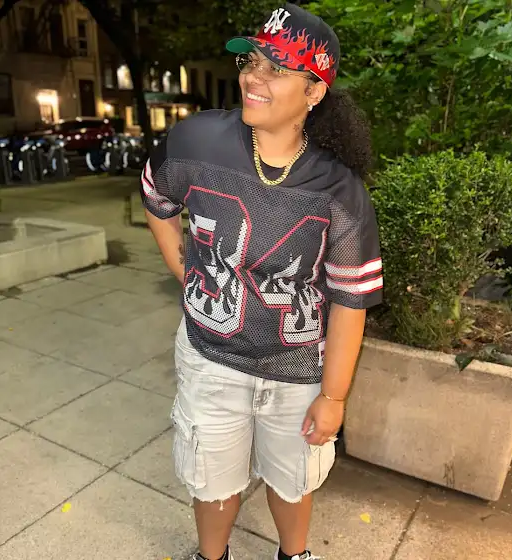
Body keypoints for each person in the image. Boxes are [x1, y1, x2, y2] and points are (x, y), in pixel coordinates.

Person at [141, 4, 383, 560]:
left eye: (277, 69)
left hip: (298, 372)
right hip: (211, 358)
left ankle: (293, 556)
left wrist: (334, 396)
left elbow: (350, 300)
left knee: (293, 479)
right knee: (212, 478)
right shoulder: (197, 141)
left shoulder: (339, 189)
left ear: (314, 91)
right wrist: (188, 272)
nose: (254, 76)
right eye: (251, 62)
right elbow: (157, 198)